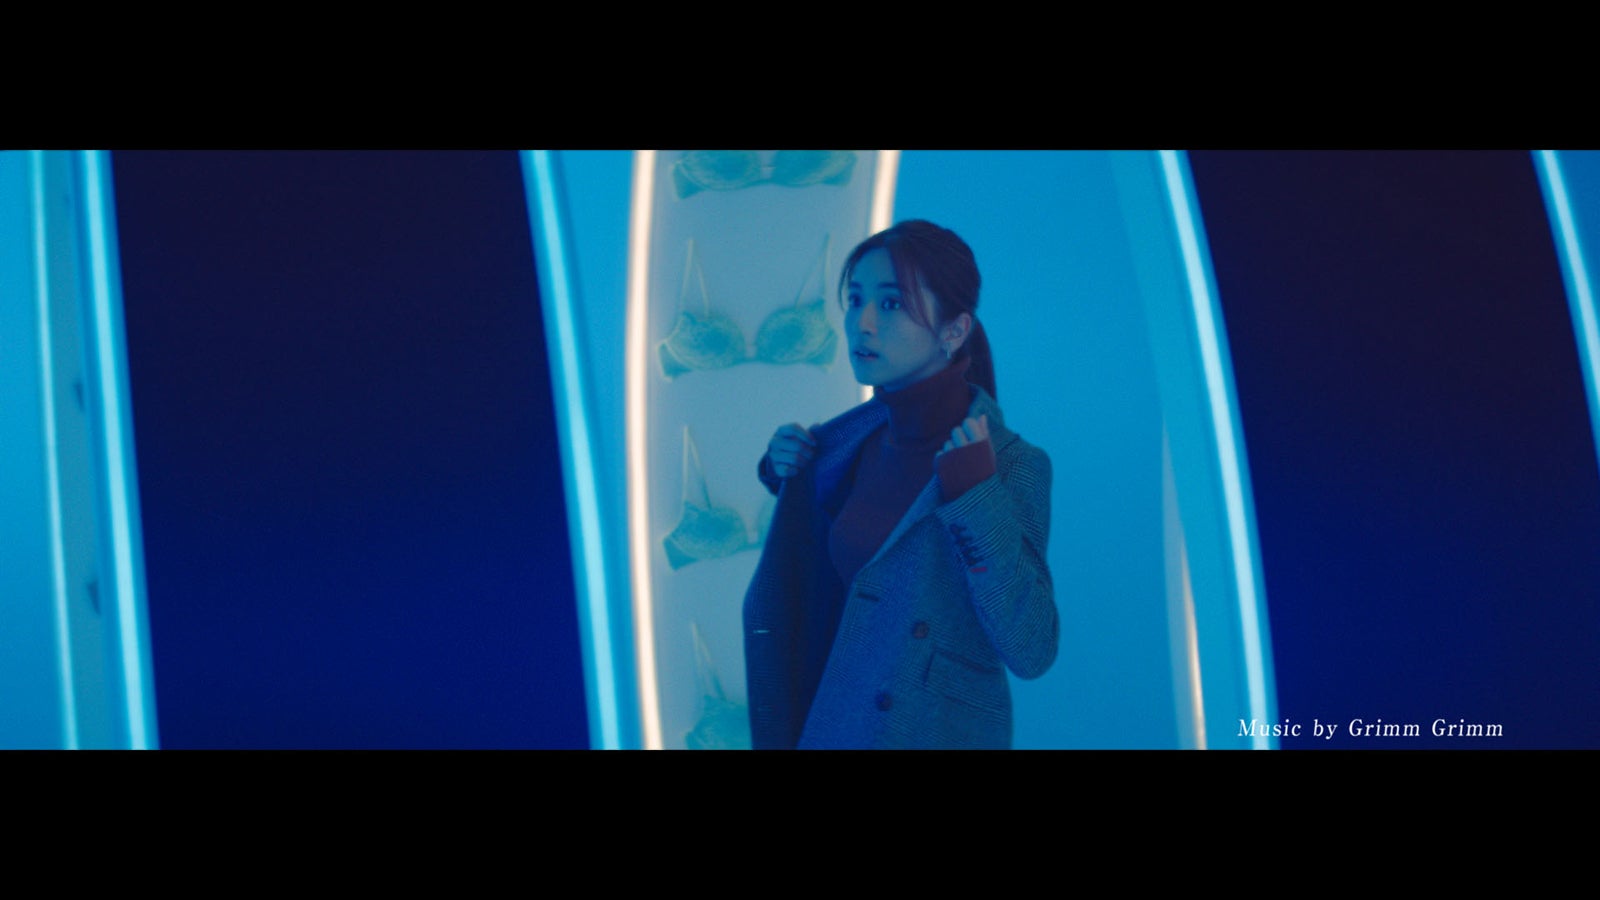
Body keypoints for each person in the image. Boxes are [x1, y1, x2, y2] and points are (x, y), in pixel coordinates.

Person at [743, 219, 1058, 749]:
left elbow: (1032, 647)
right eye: (855, 299)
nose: (862, 323)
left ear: (953, 331)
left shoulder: (1011, 465)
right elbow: (832, 570)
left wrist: (976, 496)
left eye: (891, 304)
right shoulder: (843, 445)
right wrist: (785, 472)